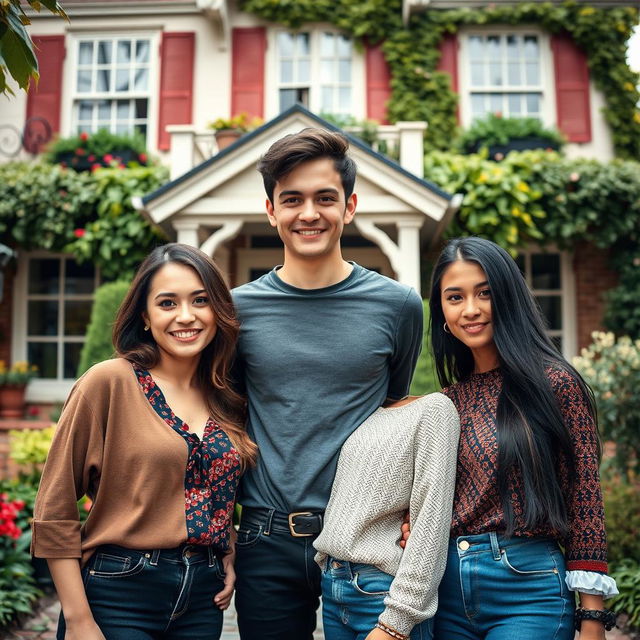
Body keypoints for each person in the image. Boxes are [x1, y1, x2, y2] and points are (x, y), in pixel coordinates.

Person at [231, 128, 424, 639]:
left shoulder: (399, 305)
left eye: (324, 198)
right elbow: (223, 415)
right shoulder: (236, 309)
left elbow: (394, 410)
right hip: (265, 534)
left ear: (350, 205)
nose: (308, 213)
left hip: (366, 534)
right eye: (291, 199)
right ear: (271, 210)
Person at [31, 243, 257, 640]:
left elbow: (211, 487)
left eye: (200, 300)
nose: (186, 316)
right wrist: (80, 620)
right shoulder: (109, 382)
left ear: (217, 311)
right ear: (146, 317)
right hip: (118, 592)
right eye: (167, 303)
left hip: (203, 598)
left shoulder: (227, 395)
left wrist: (229, 545)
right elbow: (55, 508)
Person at [427, 236, 618, 640]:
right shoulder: (445, 402)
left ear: (508, 297)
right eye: (455, 297)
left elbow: (585, 500)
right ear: (442, 311)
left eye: (485, 293)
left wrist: (593, 618)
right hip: (445, 591)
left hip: (528, 589)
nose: (471, 309)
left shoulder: (555, 383)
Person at [313, 389, 459, 640]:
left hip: (382, 595)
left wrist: (396, 622)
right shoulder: (363, 415)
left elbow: (431, 520)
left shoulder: (434, 408)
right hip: (334, 587)